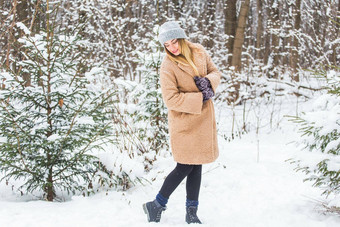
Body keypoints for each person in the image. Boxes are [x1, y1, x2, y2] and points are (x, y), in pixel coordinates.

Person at [143, 21, 221, 224]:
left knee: (196, 166)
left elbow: (215, 72)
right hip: (184, 122)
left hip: (203, 122)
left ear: (182, 38)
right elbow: (171, 99)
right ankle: (157, 204)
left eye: (174, 41)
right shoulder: (167, 66)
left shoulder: (200, 52)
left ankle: (191, 212)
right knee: (185, 166)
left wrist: (209, 82)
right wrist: (199, 97)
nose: (172, 47)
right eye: (167, 45)